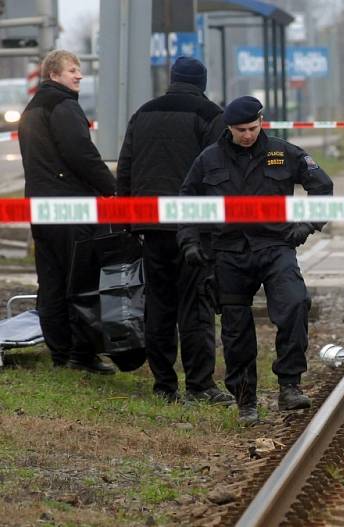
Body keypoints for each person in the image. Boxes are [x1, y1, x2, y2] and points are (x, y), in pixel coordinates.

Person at [177, 96, 333, 425]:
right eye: (239, 130)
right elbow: (186, 203)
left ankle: (289, 385)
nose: (247, 135)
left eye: (252, 128)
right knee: (235, 331)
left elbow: (323, 188)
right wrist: (190, 242)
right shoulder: (209, 160)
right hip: (229, 253)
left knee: (294, 304)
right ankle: (246, 399)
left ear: (262, 122)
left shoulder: (284, 153)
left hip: (275, 246)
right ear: (228, 128)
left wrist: (306, 226)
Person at [117, 57, 232, 404]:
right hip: (193, 226)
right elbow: (218, 171)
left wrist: (128, 218)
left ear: (172, 79)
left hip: (150, 224)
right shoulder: (211, 115)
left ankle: (164, 385)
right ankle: (199, 385)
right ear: (202, 81)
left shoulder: (143, 113)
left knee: (159, 304)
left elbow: (126, 167)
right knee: (195, 305)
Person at [18, 50, 116, 374]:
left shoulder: (32, 109)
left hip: (41, 207)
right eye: (73, 70)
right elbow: (81, 154)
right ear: (54, 74)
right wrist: (112, 189)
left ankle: (59, 352)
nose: (79, 76)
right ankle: (81, 355)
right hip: (70, 207)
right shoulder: (64, 106)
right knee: (79, 280)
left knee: (51, 281)